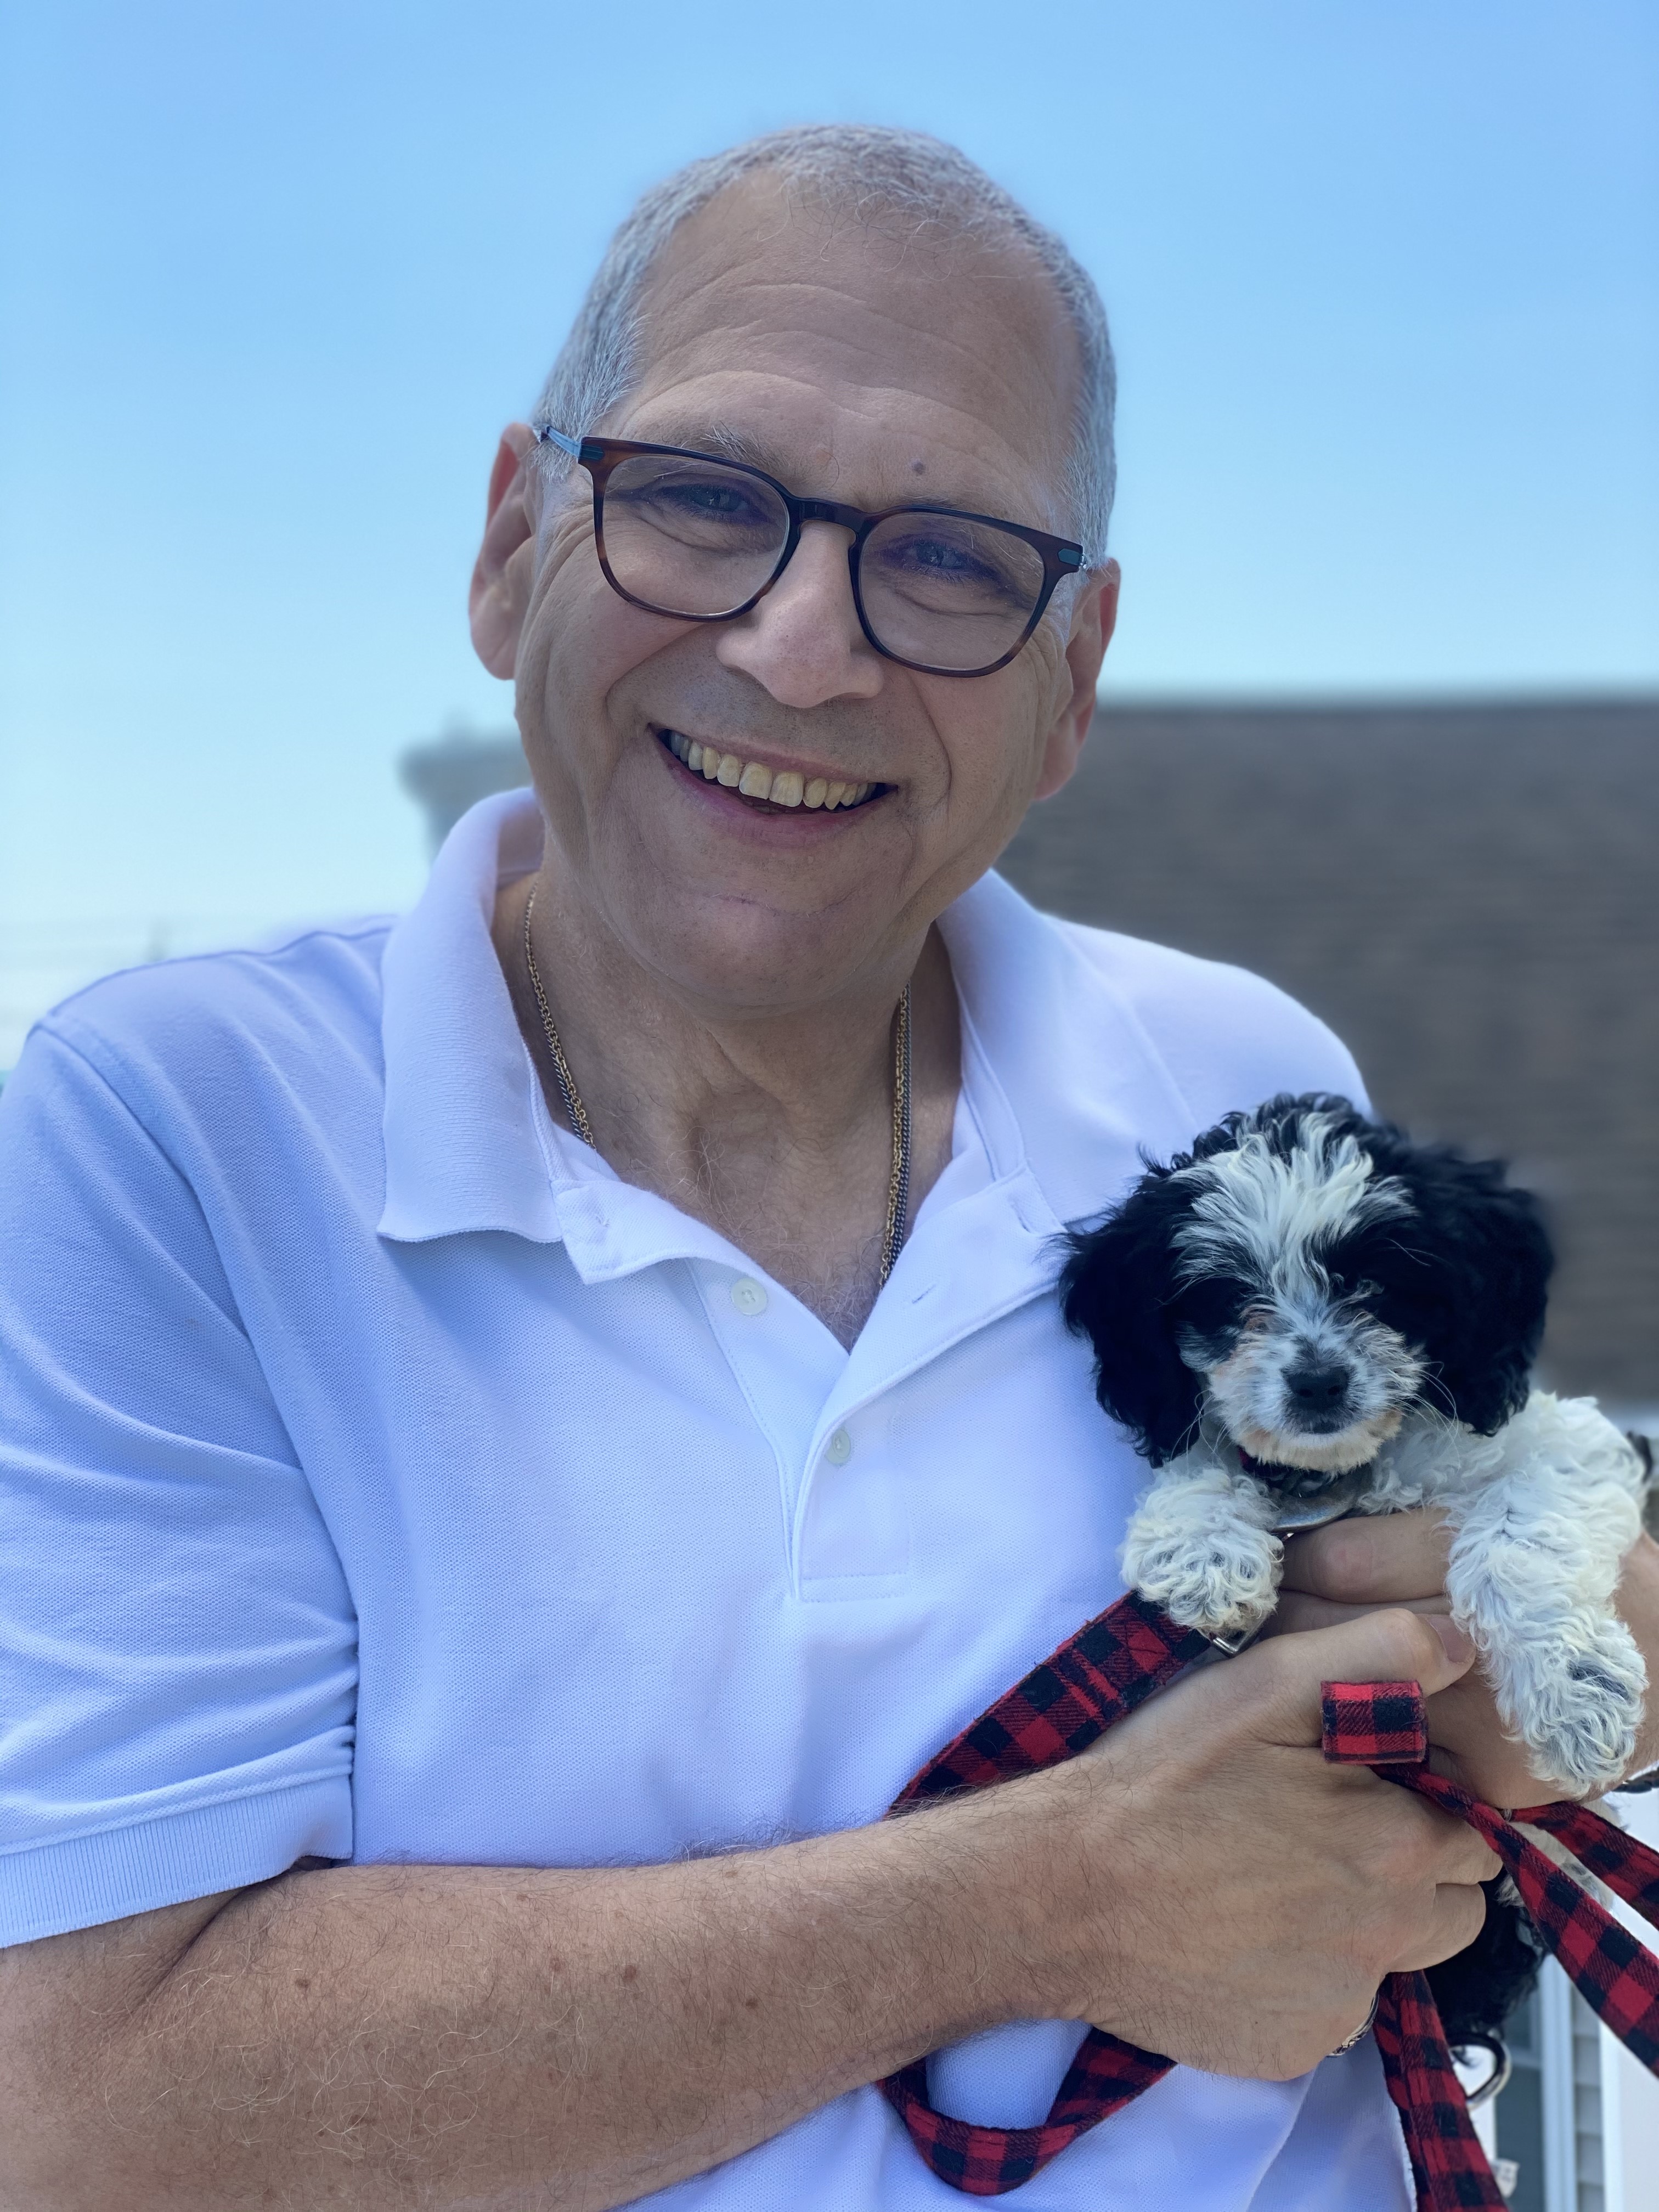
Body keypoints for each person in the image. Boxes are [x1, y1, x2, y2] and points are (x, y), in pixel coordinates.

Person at [0, 125, 1654, 2212]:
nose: (804, 648)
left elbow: (1514, 1609)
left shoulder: (1240, 1077)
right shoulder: (178, 1131)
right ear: (515, 544)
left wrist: (1571, 1645)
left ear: (1073, 680)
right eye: (702, 501)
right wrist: (1042, 1901)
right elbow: (92, 2112)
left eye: (955, 557)